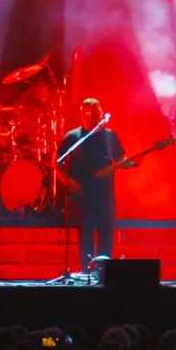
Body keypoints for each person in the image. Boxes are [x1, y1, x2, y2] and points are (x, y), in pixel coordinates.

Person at [58, 98, 125, 269]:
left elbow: (121, 160)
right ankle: (86, 275)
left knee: (106, 241)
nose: (96, 117)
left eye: (98, 114)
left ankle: (104, 276)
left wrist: (132, 163)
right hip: (83, 200)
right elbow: (56, 162)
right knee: (86, 241)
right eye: (92, 114)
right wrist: (68, 181)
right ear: (83, 115)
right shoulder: (73, 137)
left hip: (105, 199)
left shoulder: (110, 136)